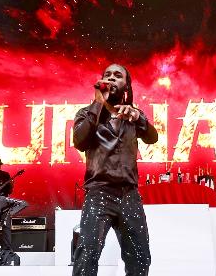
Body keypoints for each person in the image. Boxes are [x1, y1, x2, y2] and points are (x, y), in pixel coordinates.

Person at [72, 63, 159, 276]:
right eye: (107, 75)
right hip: (98, 193)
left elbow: (152, 137)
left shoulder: (132, 115)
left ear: (126, 86)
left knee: (140, 258)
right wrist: (97, 104)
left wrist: (139, 117)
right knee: (86, 255)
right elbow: (80, 141)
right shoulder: (86, 113)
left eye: (117, 76)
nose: (111, 78)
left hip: (129, 195)